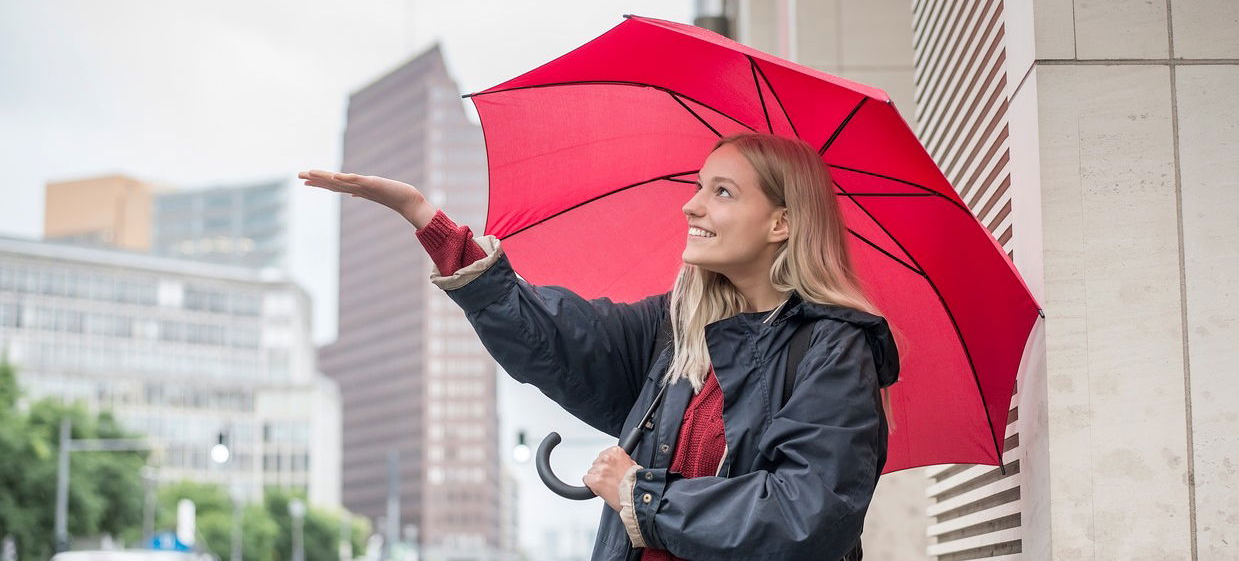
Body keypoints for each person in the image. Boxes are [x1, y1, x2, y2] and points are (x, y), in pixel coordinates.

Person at [300, 132, 900, 561]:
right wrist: (426, 219)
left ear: (781, 224)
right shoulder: (676, 331)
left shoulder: (833, 349)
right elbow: (553, 337)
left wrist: (639, 493)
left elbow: (806, 516)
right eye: (698, 186)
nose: (691, 205)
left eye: (722, 192)